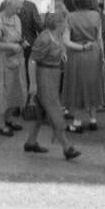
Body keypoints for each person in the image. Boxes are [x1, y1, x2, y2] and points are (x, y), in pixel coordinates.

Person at [26, 11, 81, 159]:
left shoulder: (55, 35)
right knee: (54, 110)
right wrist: (33, 83)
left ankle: (30, 142)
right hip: (45, 77)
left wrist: (62, 53)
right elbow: (32, 60)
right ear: (58, 24)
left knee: (43, 111)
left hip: (53, 76)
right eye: (64, 22)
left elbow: (60, 47)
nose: (67, 25)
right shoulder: (44, 39)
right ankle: (67, 147)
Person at [62, 0, 105, 132]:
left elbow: (66, 41)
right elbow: (99, 38)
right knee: (92, 85)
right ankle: (93, 120)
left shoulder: (70, 17)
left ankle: (77, 122)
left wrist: (81, 48)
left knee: (77, 88)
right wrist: (102, 57)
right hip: (94, 53)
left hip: (76, 55)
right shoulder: (96, 15)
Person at [0, 0, 28, 136]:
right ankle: (0, 123)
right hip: (2, 63)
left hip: (16, 61)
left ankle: (8, 118)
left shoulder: (16, 19)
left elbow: (18, 36)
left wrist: (22, 43)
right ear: (8, 5)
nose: (19, 10)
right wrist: (11, 45)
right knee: (2, 93)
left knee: (16, 91)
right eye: (17, 7)